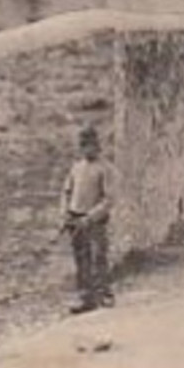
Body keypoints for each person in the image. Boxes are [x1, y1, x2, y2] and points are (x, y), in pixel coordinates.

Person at [61, 125, 114, 314]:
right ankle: (86, 297)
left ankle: (104, 294)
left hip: (95, 221)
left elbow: (109, 199)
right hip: (75, 219)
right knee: (81, 259)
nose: (87, 149)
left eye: (90, 145)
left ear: (97, 145)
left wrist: (91, 217)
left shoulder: (105, 168)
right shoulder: (76, 168)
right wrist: (65, 213)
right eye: (83, 146)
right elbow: (67, 191)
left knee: (98, 256)